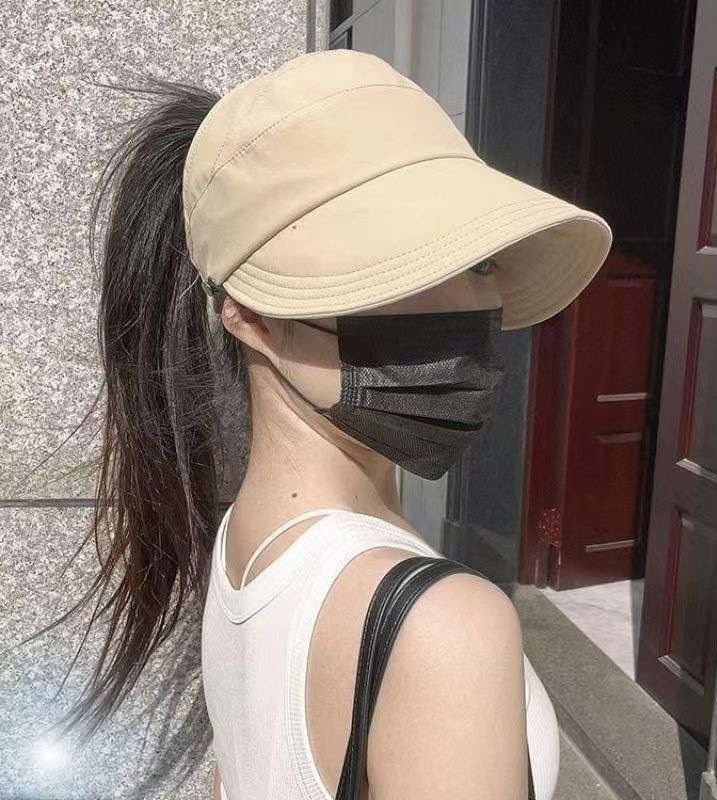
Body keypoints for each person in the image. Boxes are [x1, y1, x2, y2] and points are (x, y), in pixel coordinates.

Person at [64, 49, 611, 799]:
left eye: (480, 261)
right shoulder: (441, 627)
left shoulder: (247, 546)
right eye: (402, 268)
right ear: (255, 320)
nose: (469, 311)